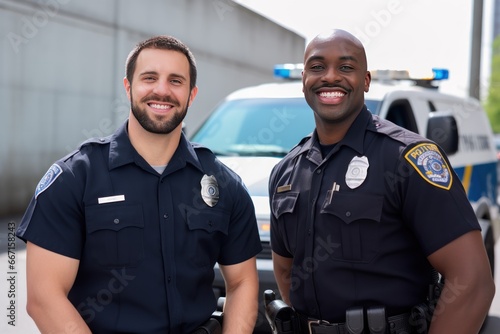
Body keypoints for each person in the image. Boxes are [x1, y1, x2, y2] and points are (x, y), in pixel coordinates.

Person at [17, 35, 262, 334]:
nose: (162, 90)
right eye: (149, 78)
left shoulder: (224, 184)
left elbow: (242, 282)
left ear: (191, 94)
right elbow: (44, 298)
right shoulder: (75, 178)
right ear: (128, 87)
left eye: (176, 81)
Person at [269, 29, 495, 334]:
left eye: (346, 67)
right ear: (304, 80)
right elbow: (286, 272)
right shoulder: (286, 172)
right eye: (317, 67)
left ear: (365, 80)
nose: (330, 77)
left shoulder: (407, 159)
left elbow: (472, 281)